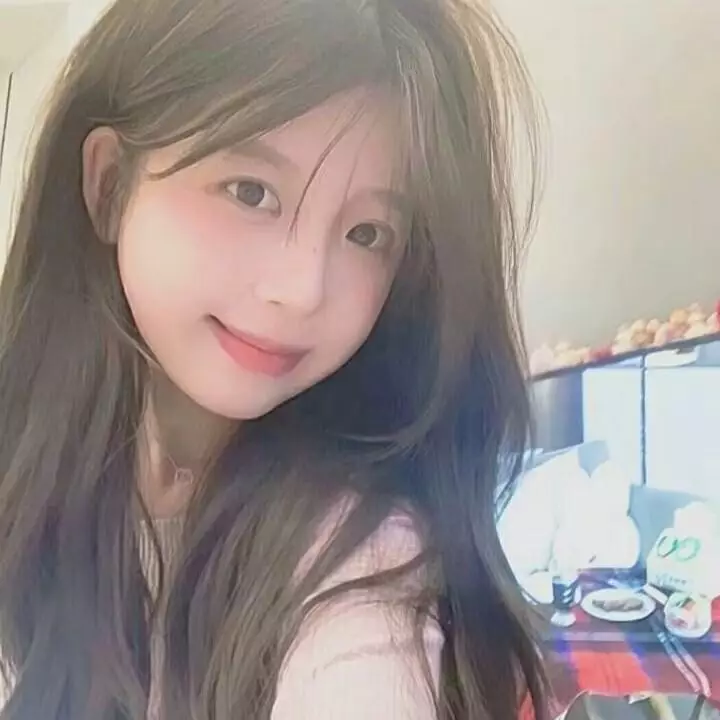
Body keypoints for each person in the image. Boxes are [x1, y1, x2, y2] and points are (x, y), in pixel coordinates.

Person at [0, 0, 548, 718]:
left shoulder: (358, 555)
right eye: (251, 192)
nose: (303, 289)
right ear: (108, 184)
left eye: (367, 233)